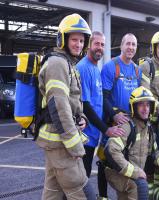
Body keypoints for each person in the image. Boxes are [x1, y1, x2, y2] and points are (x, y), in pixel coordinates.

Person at [36, 13, 95, 199]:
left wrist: (82, 117)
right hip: (62, 143)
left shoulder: (68, 63)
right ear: (63, 39)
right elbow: (59, 108)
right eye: (74, 39)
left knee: (53, 192)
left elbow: (72, 102)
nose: (78, 44)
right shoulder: (57, 64)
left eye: (81, 40)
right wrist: (75, 147)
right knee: (83, 192)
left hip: (57, 141)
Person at [76, 31, 125, 199]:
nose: (100, 47)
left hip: (91, 137)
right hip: (83, 137)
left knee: (83, 176)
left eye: (103, 44)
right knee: (79, 180)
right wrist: (106, 130)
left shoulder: (95, 69)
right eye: (97, 43)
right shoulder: (83, 68)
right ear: (89, 45)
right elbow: (86, 106)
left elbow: (99, 101)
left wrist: (113, 116)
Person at [103, 86, 159, 200]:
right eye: (141, 105)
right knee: (139, 185)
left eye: (147, 105)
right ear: (133, 107)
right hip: (116, 172)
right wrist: (134, 172)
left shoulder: (148, 128)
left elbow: (155, 154)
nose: (145, 109)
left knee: (139, 187)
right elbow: (110, 150)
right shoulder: (127, 126)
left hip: (131, 174)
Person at [98, 33, 141, 197]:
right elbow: (103, 97)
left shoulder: (137, 70)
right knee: (105, 160)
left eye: (134, 45)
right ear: (121, 46)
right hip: (112, 122)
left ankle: (123, 194)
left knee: (125, 159)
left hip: (130, 124)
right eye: (128, 44)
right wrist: (114, 115)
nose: (131, 47)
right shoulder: (111, 66)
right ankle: (102, 195)